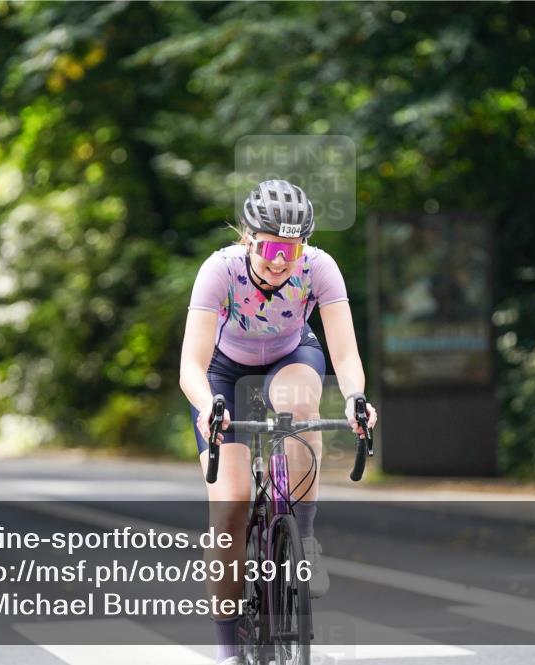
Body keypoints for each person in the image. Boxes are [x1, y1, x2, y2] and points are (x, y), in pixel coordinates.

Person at [179, 179, 377, 665]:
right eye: (270, 248)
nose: (280, 260)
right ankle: (228, 651)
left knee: (301, 403)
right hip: (223, 373)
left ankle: (303, 537)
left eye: (292, 249)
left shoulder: (319, 268)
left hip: (291, 355)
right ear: (248, 238)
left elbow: (344, 353)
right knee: (229, 511)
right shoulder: (220, 270)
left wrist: (355, 397)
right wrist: (207, 406)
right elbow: (190, 365)